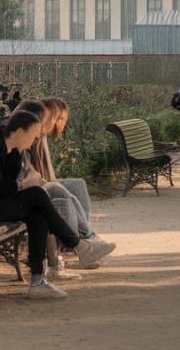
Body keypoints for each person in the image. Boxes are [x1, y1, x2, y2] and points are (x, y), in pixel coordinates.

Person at [0, 109, 89, 299]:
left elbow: (8, 183)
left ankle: (37, 280)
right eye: (33, 134)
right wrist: (19, 185)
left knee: (37, 214)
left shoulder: (10, 148)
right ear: (20, 132)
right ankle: (76, 244)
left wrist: (17, 155)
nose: (35, 138)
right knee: (37, 195)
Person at [15, 99, 115, 278]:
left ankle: (87, 241)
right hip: (22, 193)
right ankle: (84, 242)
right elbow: (26, 177)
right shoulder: (23, 139)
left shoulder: (31, 137)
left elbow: (37, 173)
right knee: (61, 198)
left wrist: (48, 183)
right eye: (56, 119)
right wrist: (47, 184)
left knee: (74, 185)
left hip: (31, 187)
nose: (55, 124)